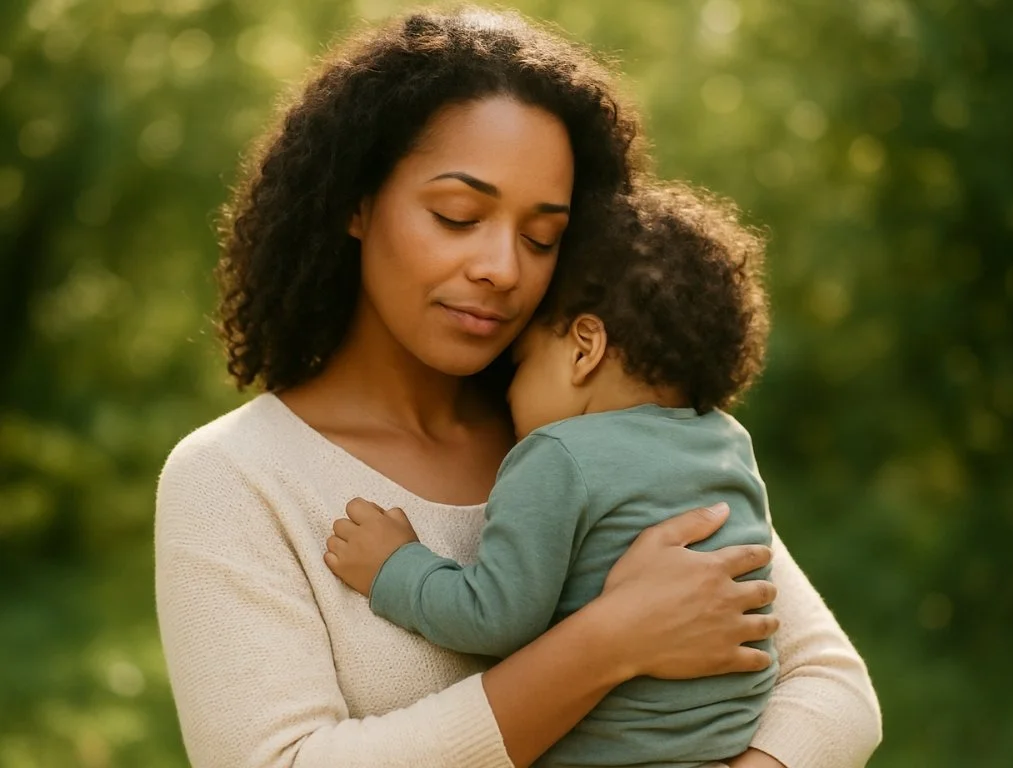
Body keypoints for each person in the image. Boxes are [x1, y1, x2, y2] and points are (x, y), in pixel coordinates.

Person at [154, 7, 882, 768]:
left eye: (542, 238)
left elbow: (830, 686)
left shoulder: (596, 423)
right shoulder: (234, 479)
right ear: (356, 203)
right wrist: (606, 641)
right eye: (458, 214)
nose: (503, 268)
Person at [324, 183, 777, 768]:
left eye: (521, 364)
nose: (508, 391)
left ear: (585, 347)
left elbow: (495, 617)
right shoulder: (725, 442)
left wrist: (394, 567)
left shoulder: (558, 454)